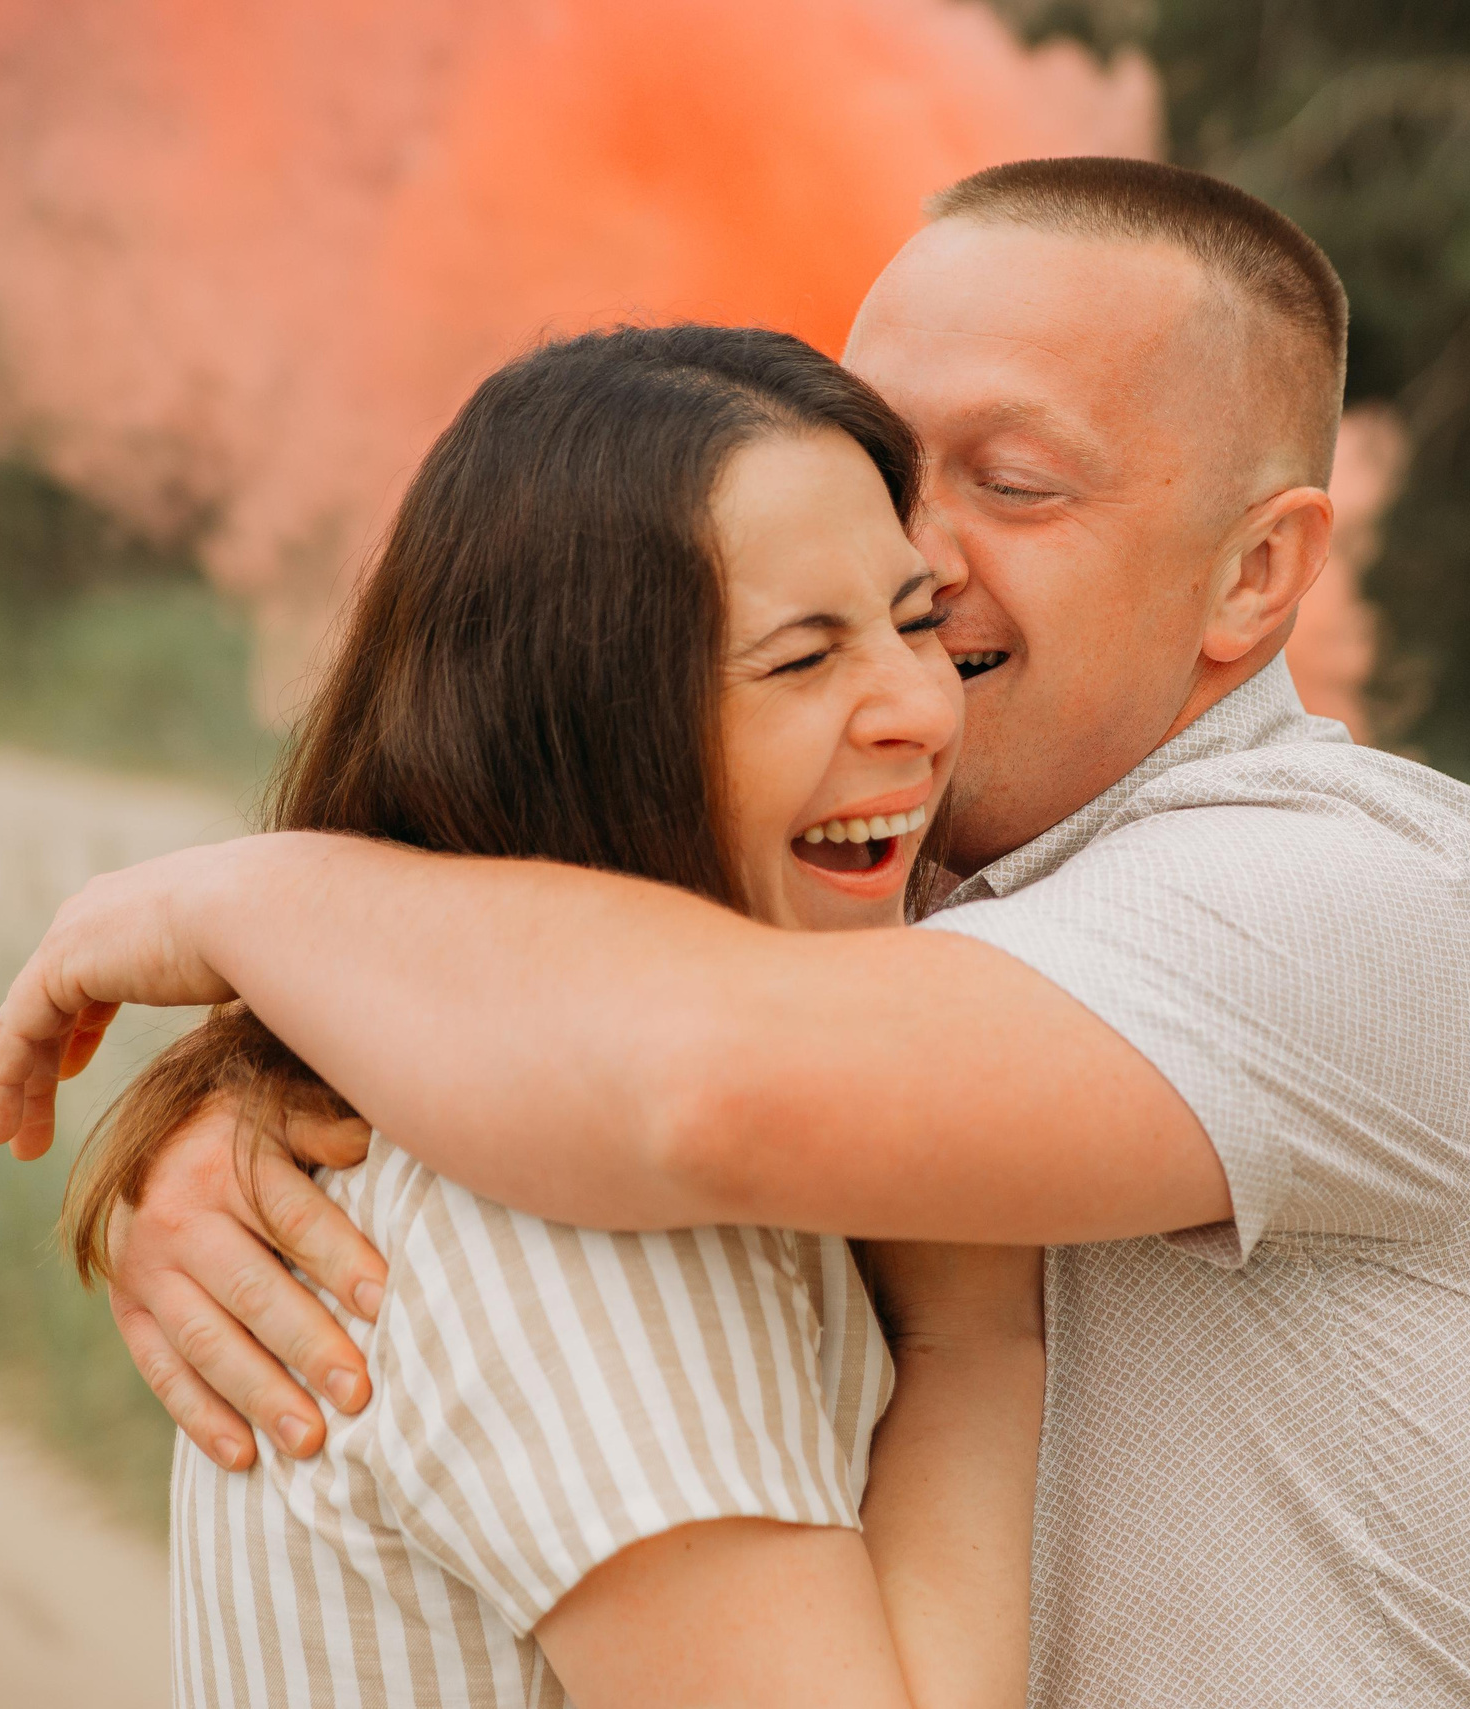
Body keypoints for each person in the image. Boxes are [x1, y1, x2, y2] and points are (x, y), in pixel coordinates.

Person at [0, 157, 1470, 1707]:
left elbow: (697, 1079)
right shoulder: (849, 898)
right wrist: (256, 1100)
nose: (914, 546)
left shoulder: (1352, 900)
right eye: (886, 466)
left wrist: (242, 907)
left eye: (1014, 481)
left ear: (1255, 574)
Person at [57, 325, 1044, 1709]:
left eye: (914, 620)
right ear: (583, 731)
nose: (919, 708)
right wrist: (974, 1332)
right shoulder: (573, 1219)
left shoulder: (545, 1094)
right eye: (802, 659)